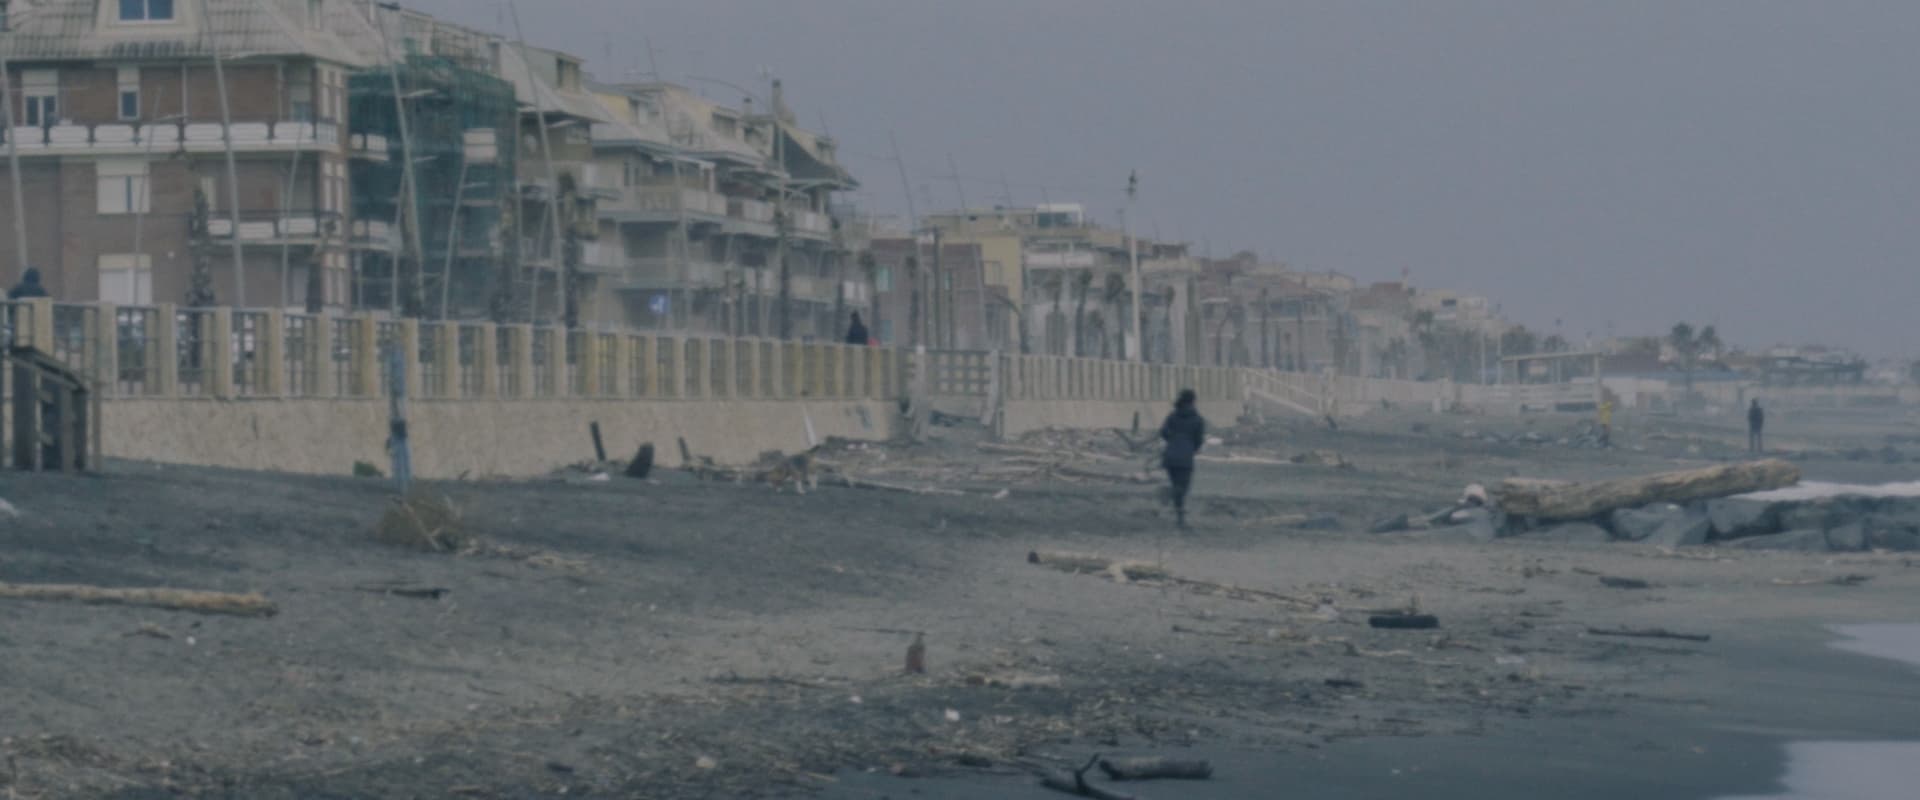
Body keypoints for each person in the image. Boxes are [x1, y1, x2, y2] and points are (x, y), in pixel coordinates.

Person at [1159, 389, 1207, 528]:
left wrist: (1173, 440)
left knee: (1177, 486)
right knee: (1183, 488)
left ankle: (1180, 519)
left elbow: (1163, 432)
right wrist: (1192, 448)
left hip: (1170, 456)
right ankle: (1169, 496)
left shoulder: (1173, 416)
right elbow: (1199, 440)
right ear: (1193, 401)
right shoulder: (1198, 419)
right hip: (1185, 458)